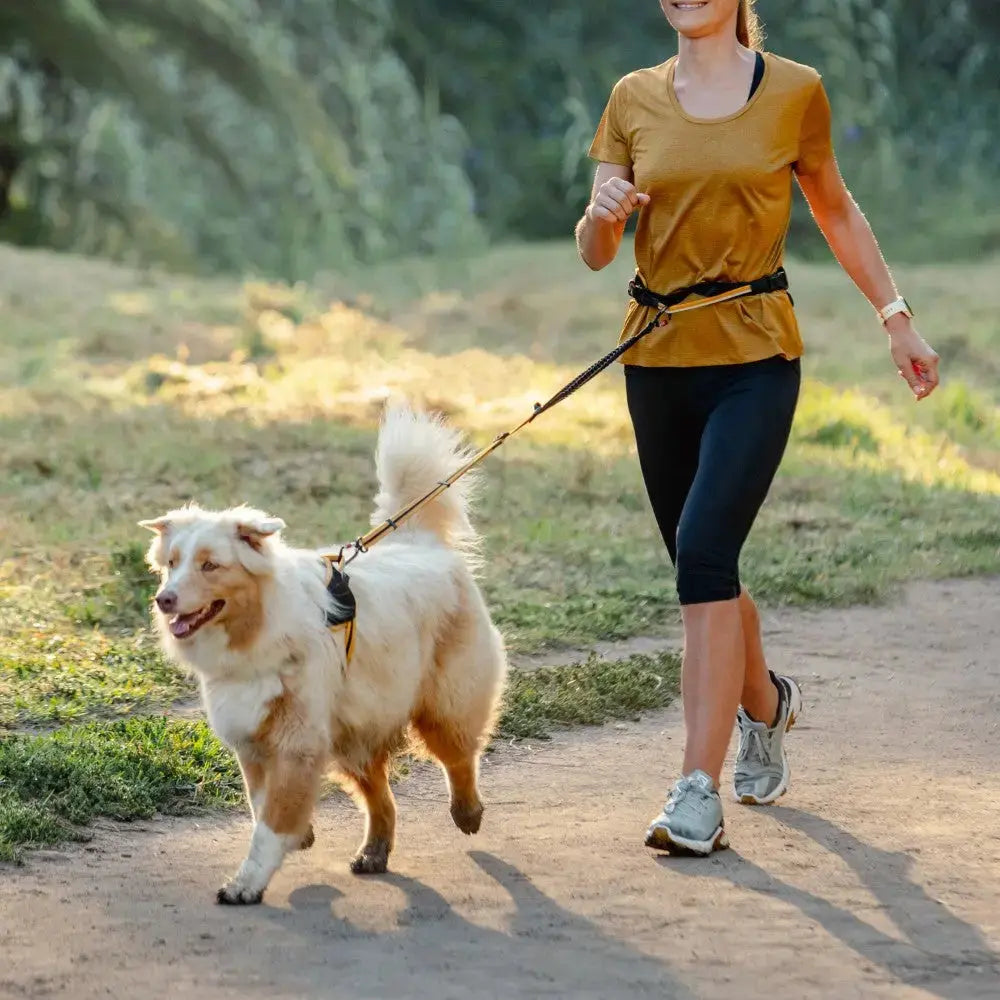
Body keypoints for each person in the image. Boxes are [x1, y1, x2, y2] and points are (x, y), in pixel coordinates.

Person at [575, 0, 940, 855]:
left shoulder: (794, 91)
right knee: (706, 566)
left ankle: (695, 793)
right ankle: (768, 707)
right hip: (656, 362)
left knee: (702, 552)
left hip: (755, 359)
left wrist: (896, 317)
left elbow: (836, 209)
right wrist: (604, 216)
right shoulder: (631, 96)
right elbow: (594, 250)